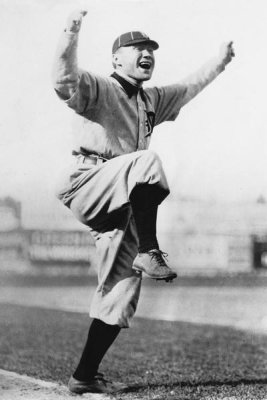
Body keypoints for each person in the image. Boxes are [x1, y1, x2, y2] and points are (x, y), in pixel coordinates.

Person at [52, 9, 235, 394]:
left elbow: (188, 87)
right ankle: (149, 249)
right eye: (137, 48)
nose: (147, 53)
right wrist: (71, 30)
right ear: (117, 58)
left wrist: (219, 61)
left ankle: (83, 375)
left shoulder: (151, 99)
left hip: (122, 199)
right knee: (147, 161)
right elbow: (63, 78)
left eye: (151, 48)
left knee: (121, 293)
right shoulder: (98, 87)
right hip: (87, 181)